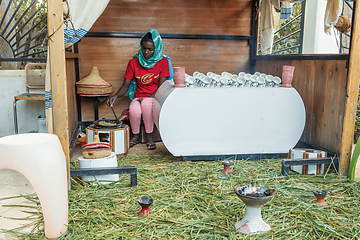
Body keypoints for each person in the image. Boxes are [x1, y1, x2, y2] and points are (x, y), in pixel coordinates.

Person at [107, 29, 170, 150]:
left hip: (154, 96)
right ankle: (135, 136)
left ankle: (149, 136)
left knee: (146, 104)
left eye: (150, 49)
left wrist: (148, 98)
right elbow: (125, 86)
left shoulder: (162, 62)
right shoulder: (134, 61)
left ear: (156, 49)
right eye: (144, 48)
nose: (146, 52)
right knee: (134, 109)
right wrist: (115, 96)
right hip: (138, 96)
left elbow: (161, 87)